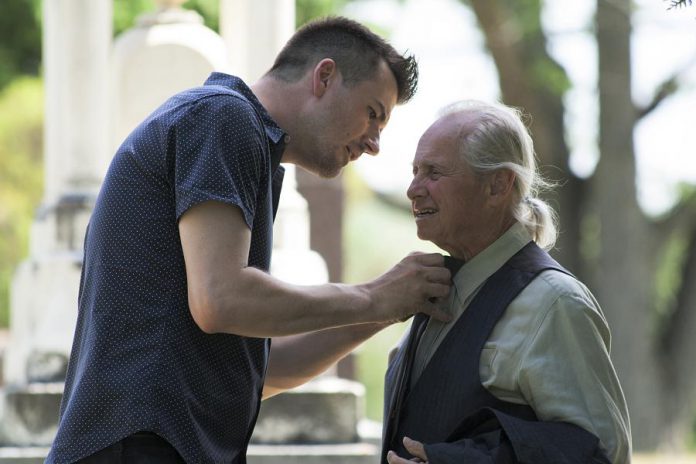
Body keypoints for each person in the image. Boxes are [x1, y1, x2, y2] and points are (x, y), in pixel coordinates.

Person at [47, 17, 453, 464]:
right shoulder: (224, 117)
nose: (375, 144)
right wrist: (373, 296)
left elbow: (263, 370)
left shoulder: (245, 142)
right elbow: (219, 301)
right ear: (324, 76)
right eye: (373, 114)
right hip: (137, 447)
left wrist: (389, 308)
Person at [381, 101, 632, 464]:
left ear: (498, 185)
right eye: (415, 171)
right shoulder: (437, 289)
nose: (413, 189)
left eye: (433, 173)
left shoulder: (554, 303)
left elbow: (602, 452)